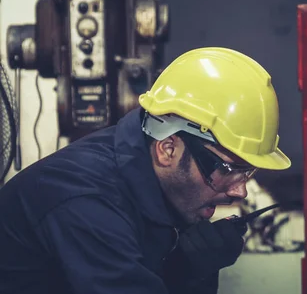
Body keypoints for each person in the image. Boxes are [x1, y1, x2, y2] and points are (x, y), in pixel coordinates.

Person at [0, 47, 291, 294]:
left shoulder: (160, 189)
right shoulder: (86, 202)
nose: (239, 191)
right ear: (168, 149)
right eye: (228, 169)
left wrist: (189, 269)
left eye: (248, 172)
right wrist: (189, 272)